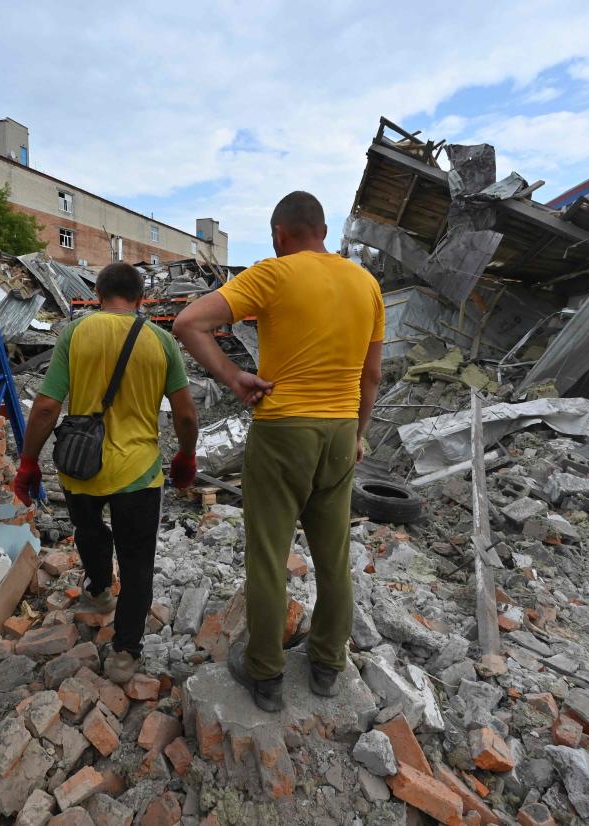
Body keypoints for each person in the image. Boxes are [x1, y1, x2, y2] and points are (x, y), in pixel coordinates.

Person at [174, 191, 384, 711]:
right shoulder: (367, 285)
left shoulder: (272, 274)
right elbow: (372, 376)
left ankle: (266, 675)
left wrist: (232, 374)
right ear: (325, 231)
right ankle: (327, 665)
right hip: (339, 433)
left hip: (284, 429)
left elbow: (186, 323)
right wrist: (357, 434)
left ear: (279, 234)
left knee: (269, 557)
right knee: (333, 557)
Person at [13, 262, 199, 682]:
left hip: (81, 466)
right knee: (137, 563)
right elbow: (186, 415)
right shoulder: (162, 341)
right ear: (141, 299)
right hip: (139, 472)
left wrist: (28, 462)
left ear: (97, 293)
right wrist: (186, 457)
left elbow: (45, 406)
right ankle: (125, 652)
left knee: (89, 531)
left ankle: (98, 591)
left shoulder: (75, 333)